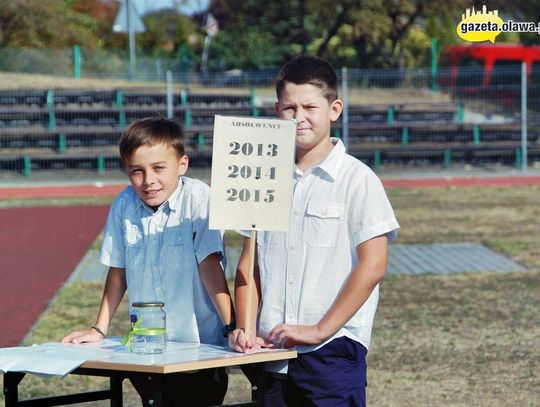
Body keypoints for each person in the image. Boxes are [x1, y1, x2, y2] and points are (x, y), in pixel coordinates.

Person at [229, 55, 400, 406]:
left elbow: (373, 266)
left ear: (334, 109)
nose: (299, 116)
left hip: (333, 349)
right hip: (271, 354)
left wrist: (321, 329)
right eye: (289, 107)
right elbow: (250, 265)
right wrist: (246, 327)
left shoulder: (358, 180)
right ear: (277, 110)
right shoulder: (263, 178)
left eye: (309, 106)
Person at [63, 117, 235, 406]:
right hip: (148, 348)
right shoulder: (123, 205)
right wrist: (99, 328)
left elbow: (210, 267)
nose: (148, 180)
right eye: (137, 171)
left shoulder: (198, 198)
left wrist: (232, 328)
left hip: (199, 349)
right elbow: (118, 272)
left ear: (182, 164)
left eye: (158, 168)